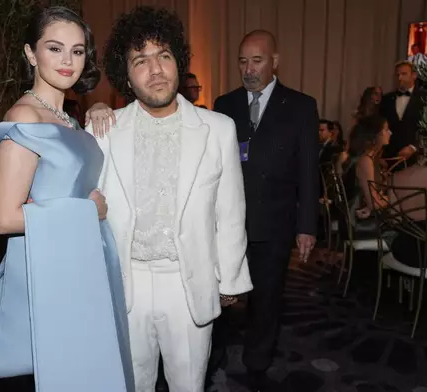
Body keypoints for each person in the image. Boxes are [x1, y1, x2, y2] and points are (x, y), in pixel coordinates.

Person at [88, 6, 252, 392]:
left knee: (189, 384)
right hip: (128, 282)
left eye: (164, 55)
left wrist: (229, 278)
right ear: (125, 75)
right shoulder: (105, 131)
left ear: (178, 60)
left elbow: (230, 210)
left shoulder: (217, 129)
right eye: (140, 60)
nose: (155, 69)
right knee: (131, 384)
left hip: (189, 281)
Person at [0, 6, 134, 392]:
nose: (68, 61)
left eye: (78, 50)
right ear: (31, 54)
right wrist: (88, 211)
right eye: (55, 48)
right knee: (58, 371)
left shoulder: (66, 116)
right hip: (48, 266)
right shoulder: (24, 117)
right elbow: (5, 218)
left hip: (79, 256)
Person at [212, 30, 319, 391]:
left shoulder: (301, 106)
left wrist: (307, 226)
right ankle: (214, 356)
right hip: (228, 222)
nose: (248, 68)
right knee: (221, 295)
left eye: (257, 60)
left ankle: (257, 364)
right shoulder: (224, 104)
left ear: (275, 61)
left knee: (266, 298)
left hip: (275, 222)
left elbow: (308, 169)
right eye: (242, 61)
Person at [379, 61, 427, 166]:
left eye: (404, 74)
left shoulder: (424, 98)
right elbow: (380, 127)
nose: (400, 78)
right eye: (398, 75)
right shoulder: (387, 99)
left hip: (416, 159)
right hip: (389, 158)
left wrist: (413, 147)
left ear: (414, 75)